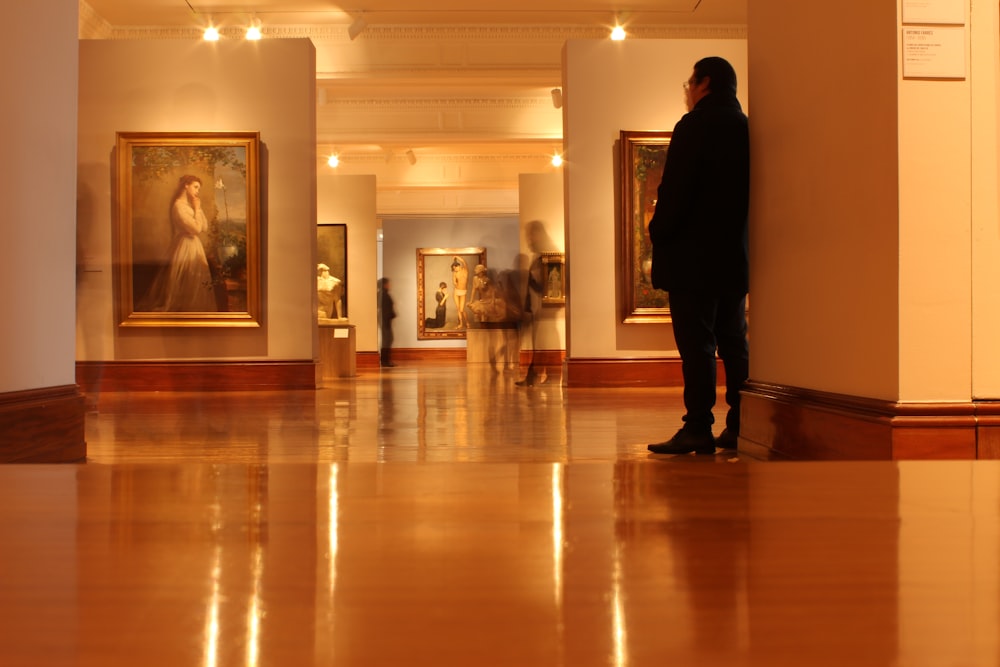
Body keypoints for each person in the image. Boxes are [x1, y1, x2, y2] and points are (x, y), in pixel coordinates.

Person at [646, 56, 750, 456]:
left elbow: (676, 190)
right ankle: (739, 424)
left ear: (703, 82)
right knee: (733, 341)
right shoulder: (744, 128)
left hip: (692, 259)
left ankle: (698, 427)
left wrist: (659, 230)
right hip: (732, 257)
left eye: (689, 84)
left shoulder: (694, 126)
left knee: (697, 345)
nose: (687, 93)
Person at [141, 174, 217, 312]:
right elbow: (196, 229)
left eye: (198, 188)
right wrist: (197, 209)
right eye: (195, 187)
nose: (197, 191)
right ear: (185, 185)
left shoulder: (190, 205)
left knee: (197, 281)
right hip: (185, 246)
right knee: (184, 281)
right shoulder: (178, 206)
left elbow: (204, 226)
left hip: (195, 246)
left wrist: (197, 208)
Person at [378, 277, 397, 367]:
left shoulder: (383, 294)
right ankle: (385, 361)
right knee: (387, 340)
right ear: (384, 285)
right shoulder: (383, 295)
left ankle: (385, 360)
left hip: (385, 321)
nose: (390, 285)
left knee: (388, 340)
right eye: (388, 283)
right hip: (385, 321)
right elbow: (385, 309)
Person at [451, 256, 470, 329]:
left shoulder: (465, 270)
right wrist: (455, 282)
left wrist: (456, 256)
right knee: (458, 309)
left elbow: (463, 261)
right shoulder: (455, 273)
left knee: (462, 310)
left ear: (458, 266)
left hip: (463, 292)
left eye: (455, 268)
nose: (454, 269)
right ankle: (461, 324)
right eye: (453, 269)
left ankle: (467, 322)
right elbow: (454, 281)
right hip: (456, 291)